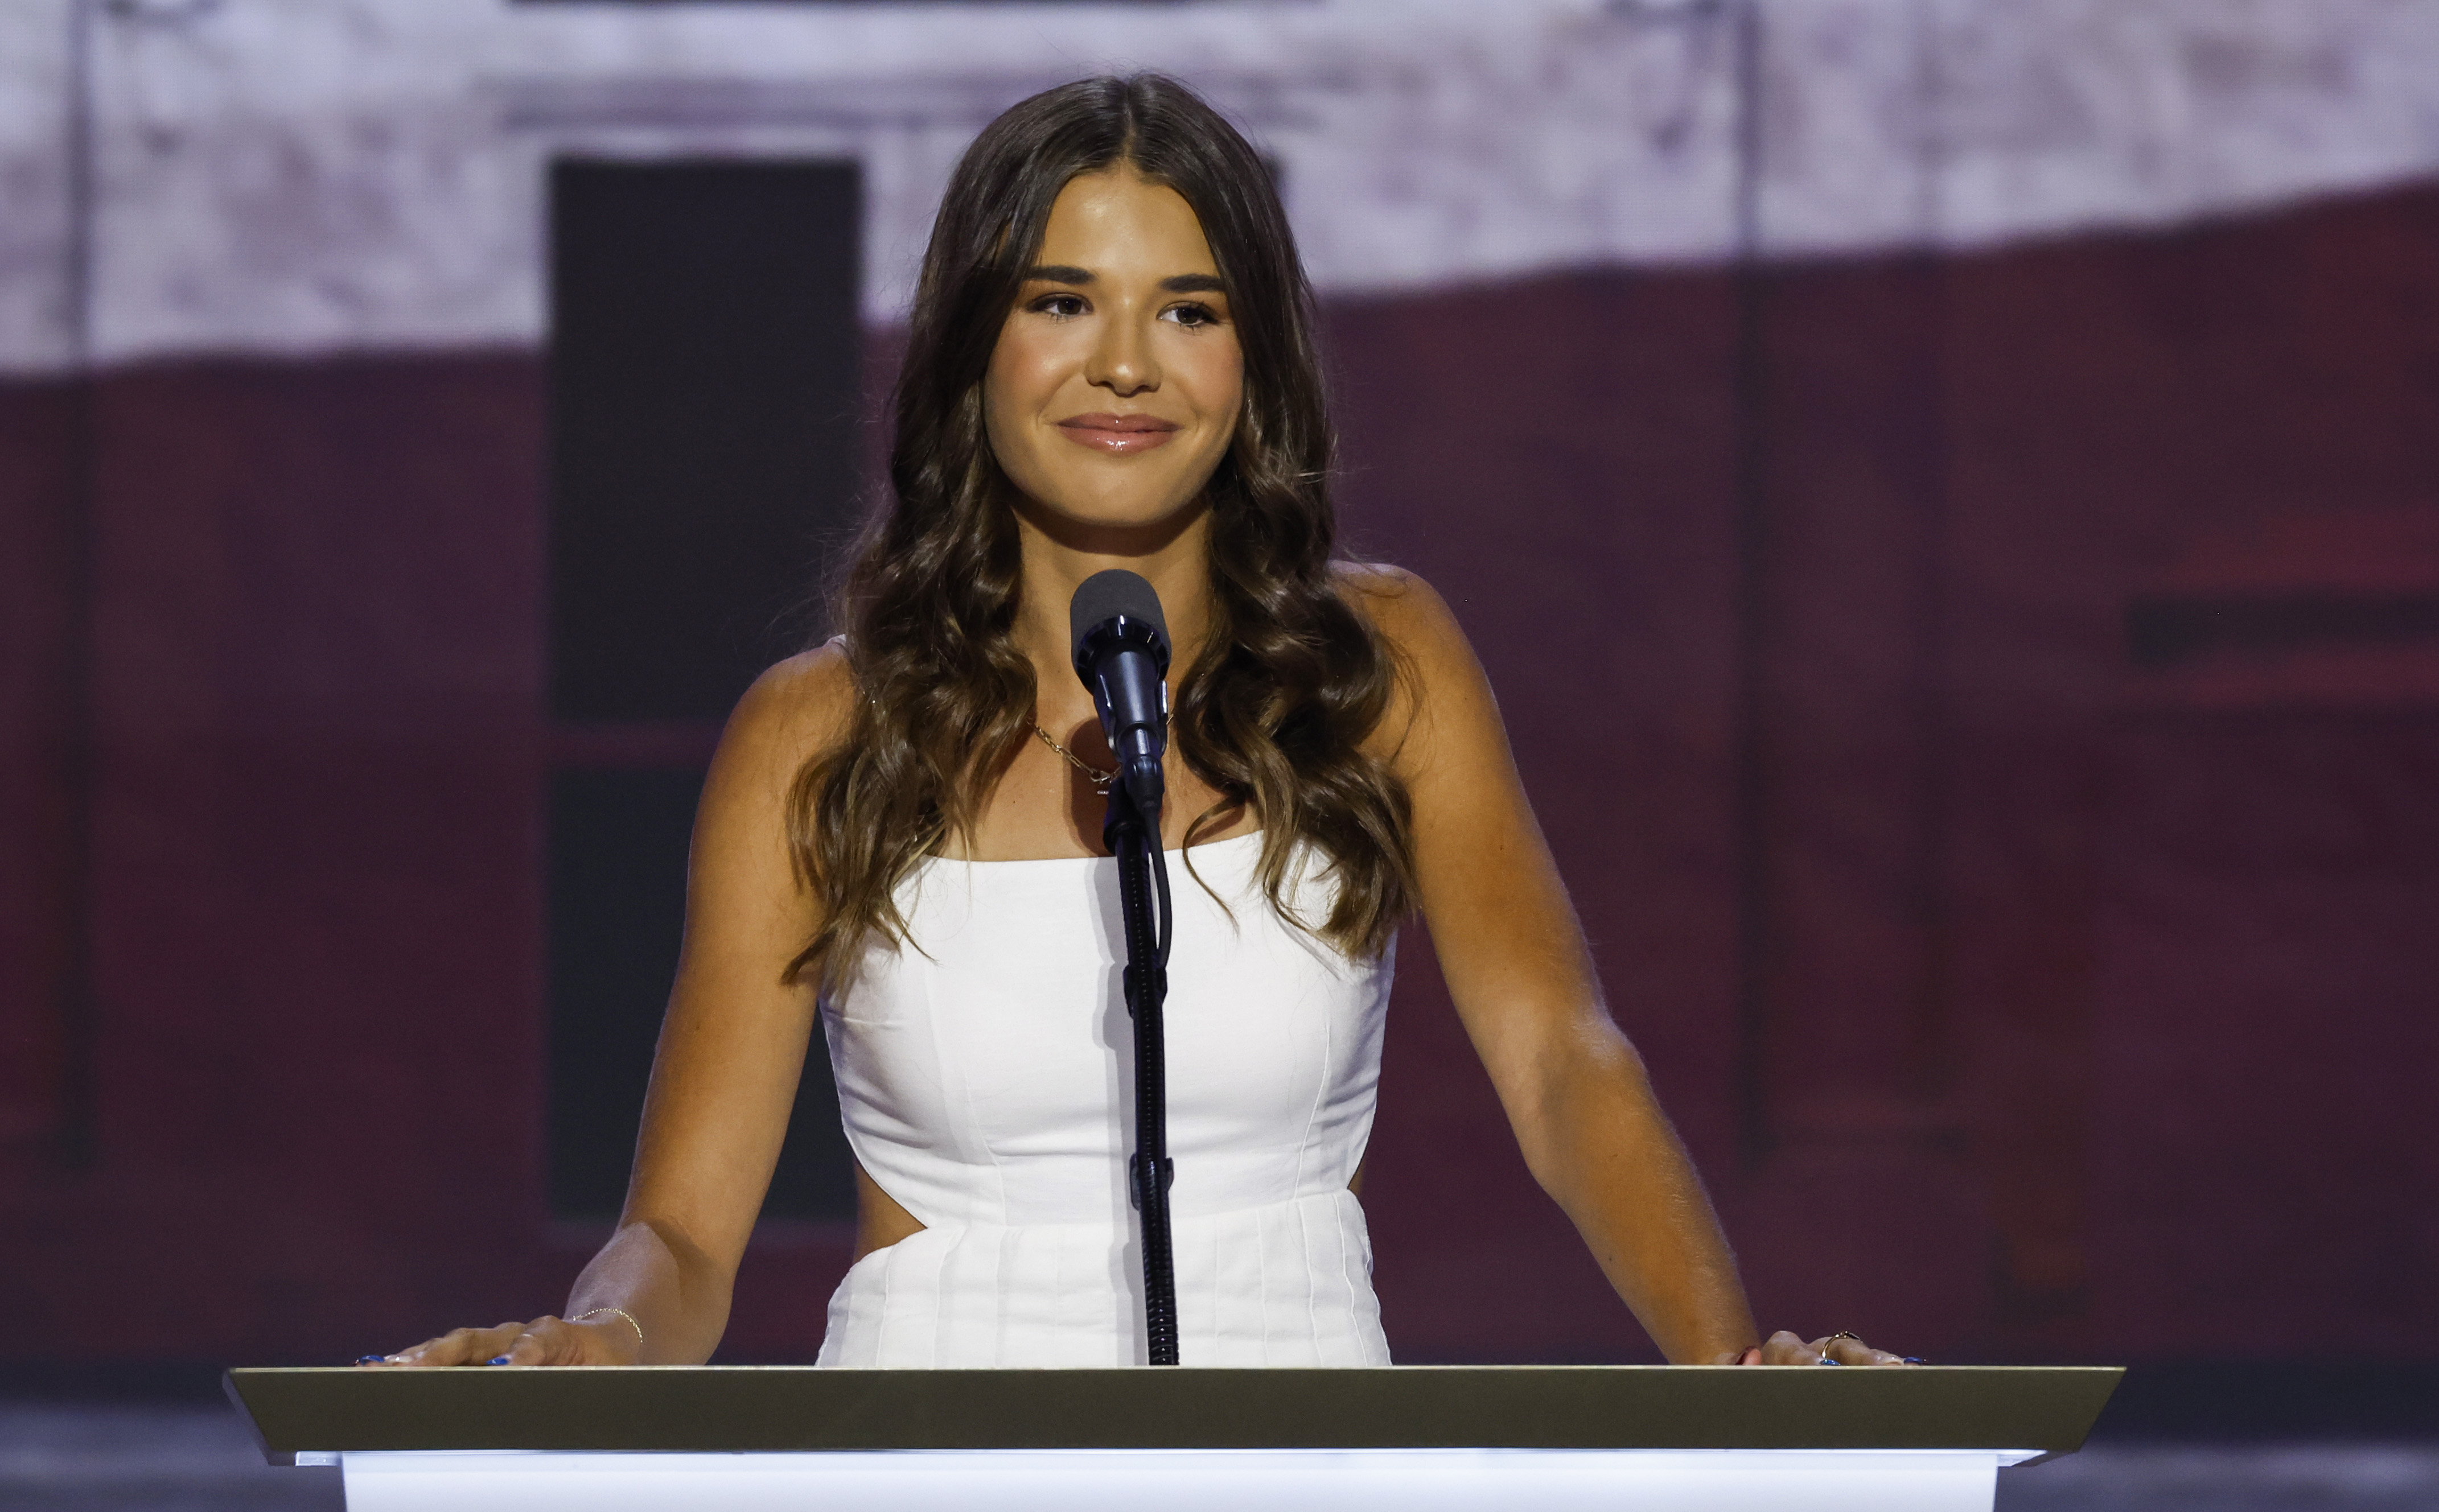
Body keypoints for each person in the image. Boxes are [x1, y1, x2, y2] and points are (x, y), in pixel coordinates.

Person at [373, 73, 1908, 1373]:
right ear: (980, 347)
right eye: (1063, 303)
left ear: (1254, 363)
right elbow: (685, 1230)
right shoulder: (816, 732)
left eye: (1189, 308)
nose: (1126, 364)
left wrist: (1735, 1373)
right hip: (926, 1482)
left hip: (1301, 1470)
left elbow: (1564, 1066)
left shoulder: (1383, 662)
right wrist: (596, 1340)